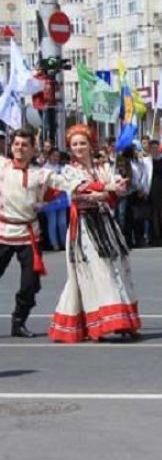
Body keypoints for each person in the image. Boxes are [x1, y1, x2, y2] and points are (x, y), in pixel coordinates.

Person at [47, 125, 142, 343]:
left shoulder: (103, 167)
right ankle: (99, 323)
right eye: (75, 144)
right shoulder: (69, 171)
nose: (79, 147)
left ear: (91, 145)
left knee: (118, 267)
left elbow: (111, 194)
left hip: (105, 222)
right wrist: (107, 189)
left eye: (83, 143)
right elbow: (81, 191)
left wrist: (115, 187)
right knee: (96, 271)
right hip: (84, 225)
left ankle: (124, 320)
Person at [0, 129, 78, 337]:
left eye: (24, 145)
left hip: (29, 234)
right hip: (3, 231)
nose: (19, 148)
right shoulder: (2, 167)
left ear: (33, 149)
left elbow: (68, 183)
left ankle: (19, 321)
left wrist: (103, 187)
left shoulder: (41, 174)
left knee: (30, 283)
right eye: (16, 144)